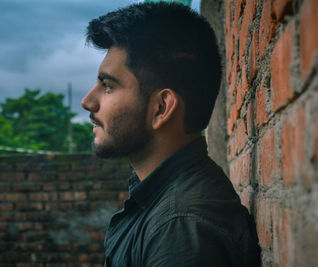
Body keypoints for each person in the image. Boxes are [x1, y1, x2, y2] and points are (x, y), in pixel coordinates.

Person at [81, 2, 260, 266]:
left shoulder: (181, 228)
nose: (88, 101)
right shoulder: (161, 200)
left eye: (108, 86)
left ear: (161, 108)